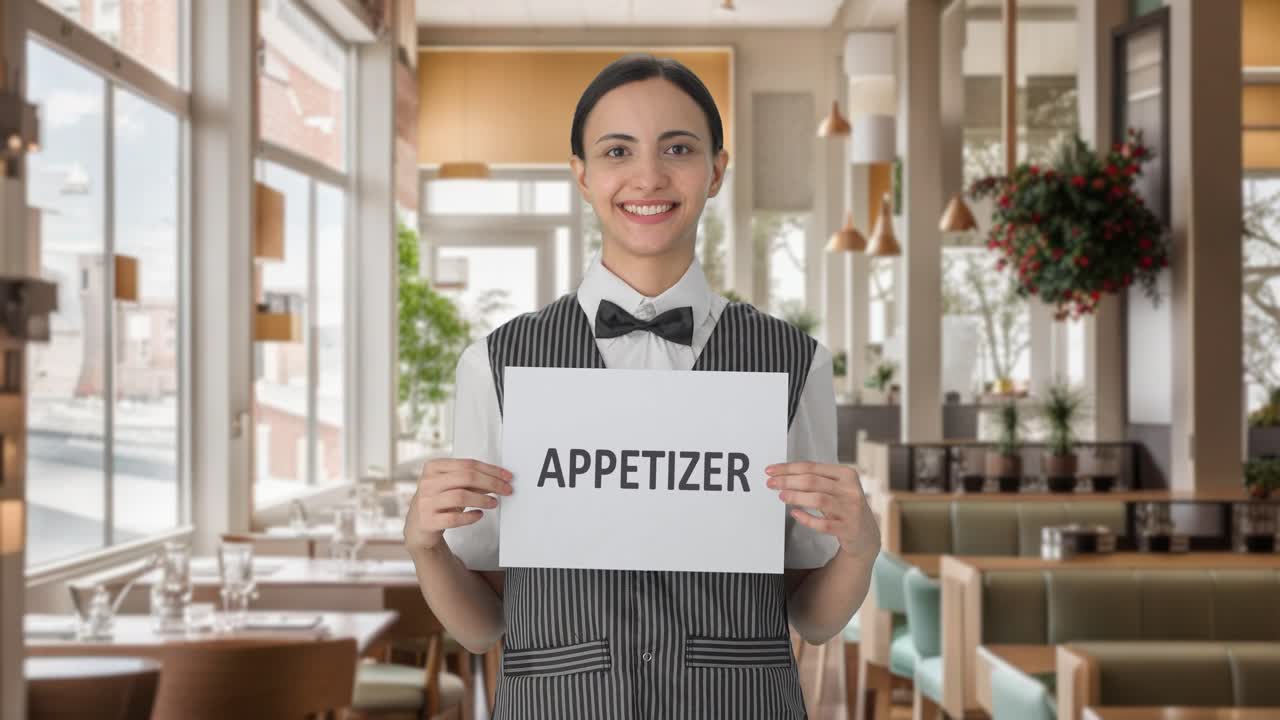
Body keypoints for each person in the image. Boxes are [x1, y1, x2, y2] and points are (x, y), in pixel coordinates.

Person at [404, 53, 880, 720]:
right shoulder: (496, 363)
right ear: (583, 175)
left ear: (716, 170)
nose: (648, 176)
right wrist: (424, 545)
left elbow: (813, 616)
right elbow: (483, 625)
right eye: (617, 150)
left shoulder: (795, 363)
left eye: (678, 148)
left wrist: (861, 549)